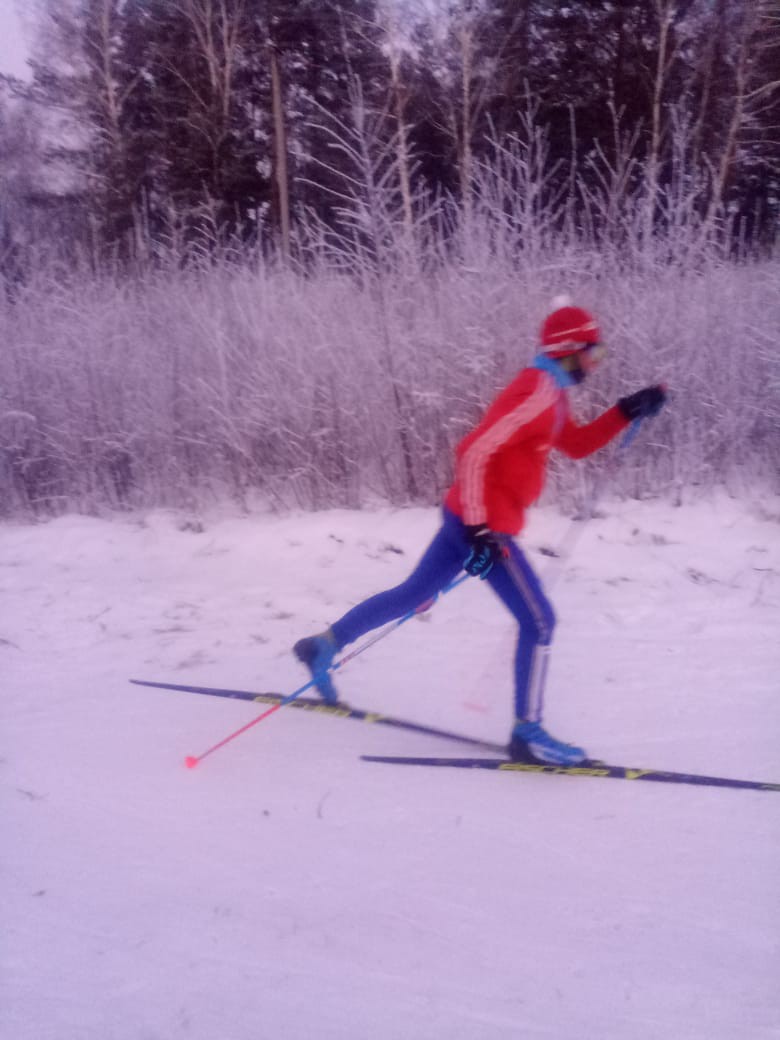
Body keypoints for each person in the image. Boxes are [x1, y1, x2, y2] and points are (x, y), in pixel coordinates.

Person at [294, 298, 666, 764]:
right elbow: (473, 452)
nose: (596, 363)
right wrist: (479, 530)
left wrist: (626, 411)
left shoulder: (551, 392)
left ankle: (323, 646)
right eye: (594, 353)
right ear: (568, 350)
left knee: (413, 594)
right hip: (484, 526)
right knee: (539, 621)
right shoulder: (536, 393)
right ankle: (528, 732)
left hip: (469, 518)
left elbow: (573, 445)